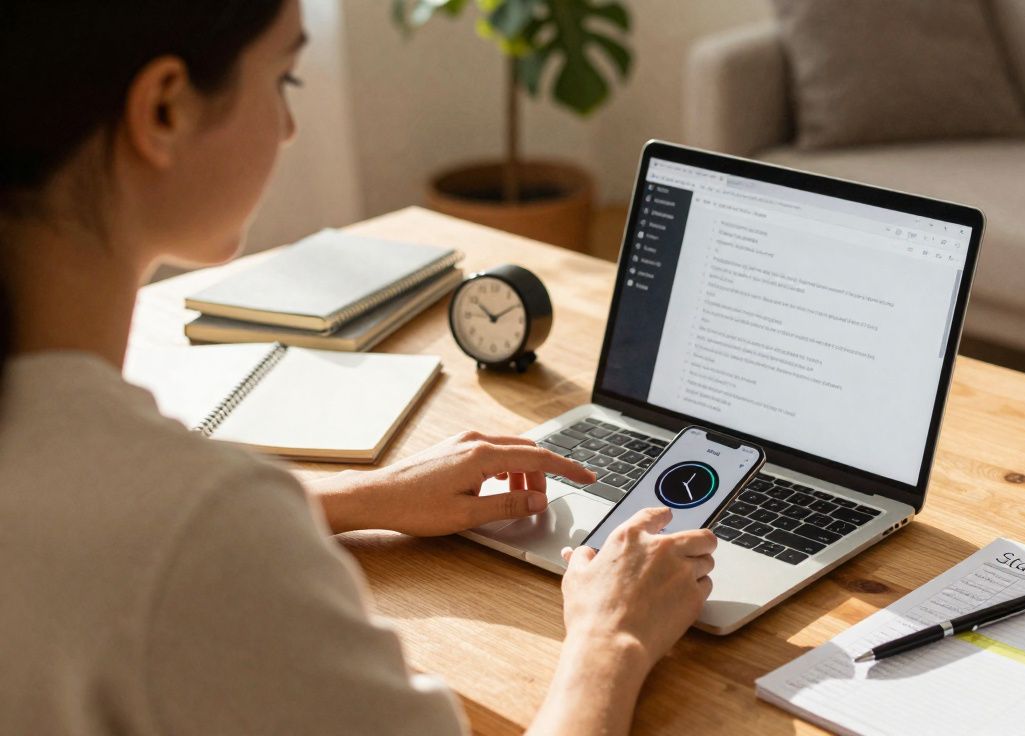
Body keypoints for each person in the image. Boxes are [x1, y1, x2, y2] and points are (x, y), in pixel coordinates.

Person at [0, 1, 717, 734]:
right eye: (284, 79)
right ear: (164, 110)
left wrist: (357, 496)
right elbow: (176, 542)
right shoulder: (199, 535)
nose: (288, 128)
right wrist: (611, 640)